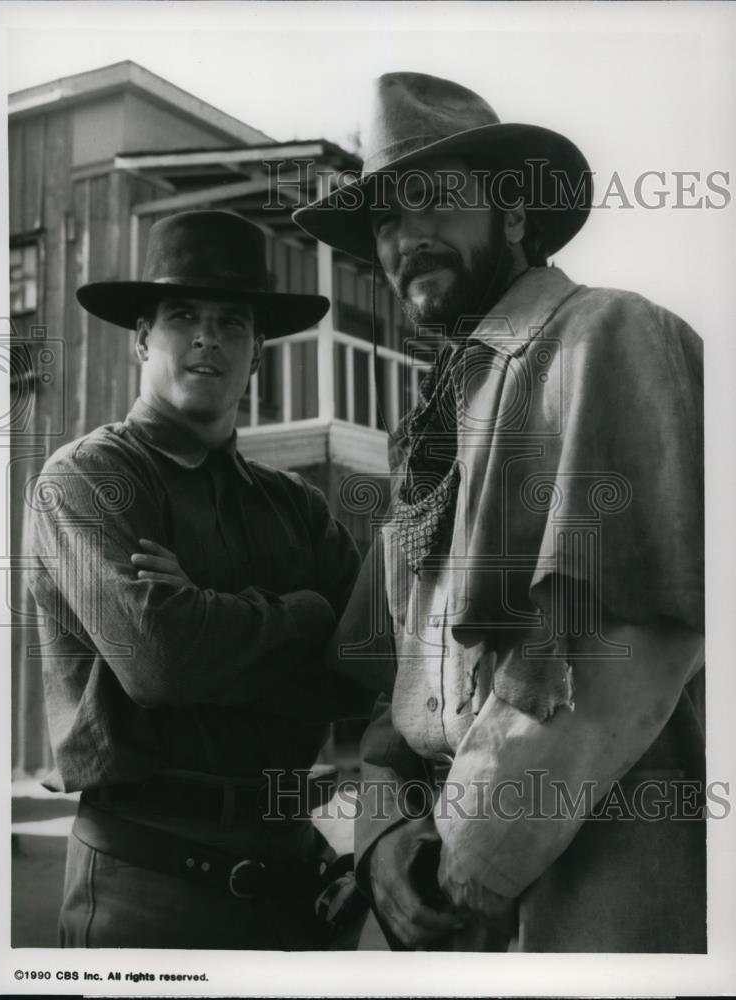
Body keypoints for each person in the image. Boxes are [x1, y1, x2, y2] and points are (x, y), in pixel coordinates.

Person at [293, 72, 705, 952]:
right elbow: (394, 694)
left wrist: (453, 871)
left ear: (513, 214)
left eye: (435, 201)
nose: (407, 237)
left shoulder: (608, 340)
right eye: (387, 220)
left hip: (578, 891)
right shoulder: (428, 431)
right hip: (436, 885)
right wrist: (379, 842)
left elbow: (616, 654)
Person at [26, 210, 364, 949]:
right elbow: (163, 660)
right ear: (143, 337)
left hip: (290, 880)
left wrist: (213, 619)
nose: (208, 337)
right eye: (183, 316)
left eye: (232, 321)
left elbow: (370, 660)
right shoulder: (89, 478)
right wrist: (306, 617)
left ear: (257, 353)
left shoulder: (297, 508)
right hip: (146, 882)